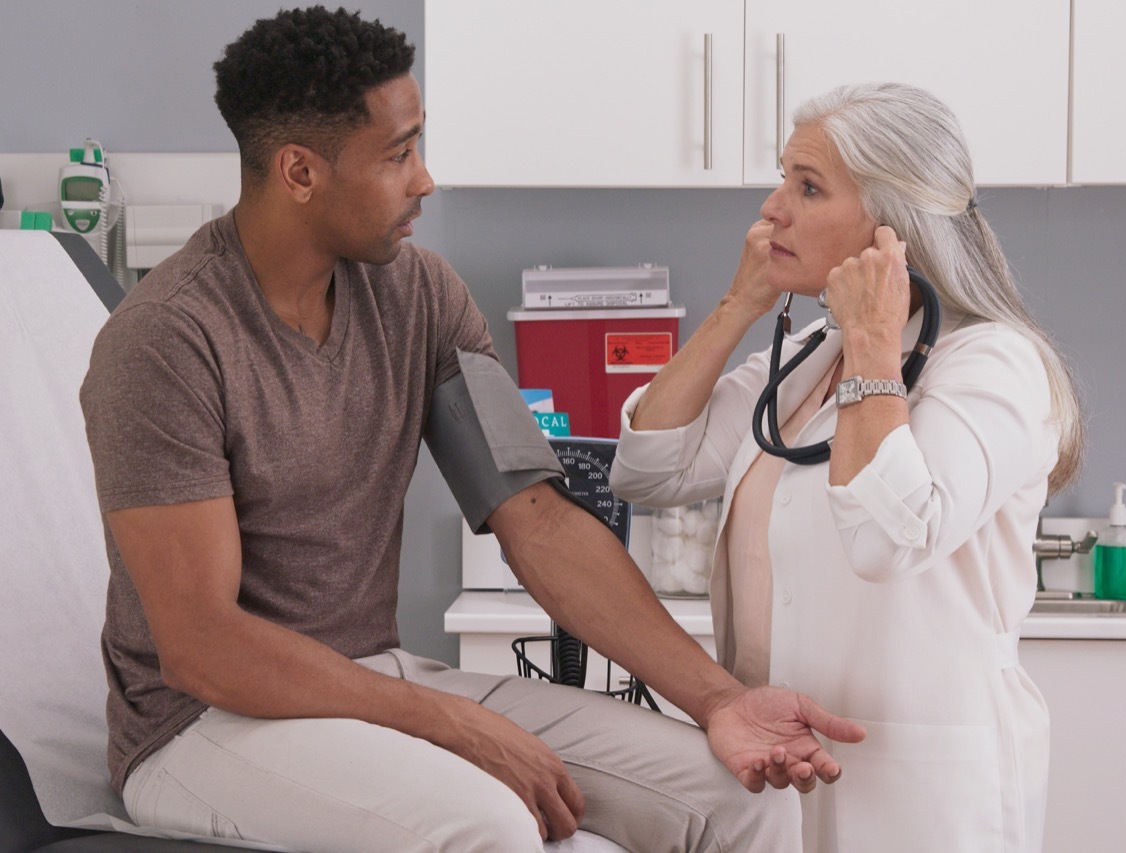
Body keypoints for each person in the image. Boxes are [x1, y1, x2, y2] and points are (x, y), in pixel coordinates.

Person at [78, 7, 867, 852]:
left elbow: (538, 520)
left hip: (371, 677)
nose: (424, 180)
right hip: (201, 728)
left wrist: (716, 699)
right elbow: (202, 647)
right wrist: (448, 722)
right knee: (488, 822)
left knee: (743, 799)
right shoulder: (166, 341)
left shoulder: (418, 295)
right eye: (398, 153)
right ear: (300, 172)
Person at [610, 81, 1084, 853]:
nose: (772, 209)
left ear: (890, 222)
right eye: (782, 178)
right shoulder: (809, 359)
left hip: (919, 794)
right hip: (777, 772)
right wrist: (739, 302)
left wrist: (871, 338)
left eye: (807, 186)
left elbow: (888, 537)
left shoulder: (993, 364)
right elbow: (651, 466)